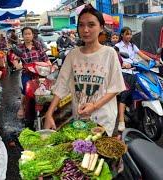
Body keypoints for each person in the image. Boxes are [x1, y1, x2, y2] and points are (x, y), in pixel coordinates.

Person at [44, 4, 126, 137]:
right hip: (80, 118)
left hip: (103, 119)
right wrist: (49, 113)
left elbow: (115, 87)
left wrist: (94, 106)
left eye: (91, 24)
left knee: (98, 154)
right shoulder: (73, 55)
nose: (85, 30)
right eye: (81, 25)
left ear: (101, 27)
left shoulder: (109, 53)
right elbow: (61, 85)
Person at [115, 26, 153, 132]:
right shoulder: (117, 46)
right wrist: (123, 65)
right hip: (124, 72)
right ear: (122, 35)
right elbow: (116, 60)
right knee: (125, 94)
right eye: (127, 34)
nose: (129, 36)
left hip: (135, 71)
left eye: (130, 34)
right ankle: (121, 120)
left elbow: (142, 55)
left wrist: (153, 61)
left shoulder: (132, 46)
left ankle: (137, 112)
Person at [11, 27, 50, 120]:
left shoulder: (38, 46)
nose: (27, 36)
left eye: (29, 34)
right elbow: (15, 59)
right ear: (22, 36)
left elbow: (46, 58)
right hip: (27, 73)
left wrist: (50, 65)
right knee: (25, 89)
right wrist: (17, 65)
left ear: (33, 35)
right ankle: (22, 107)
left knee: (47, 89)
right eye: (25, 34)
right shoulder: (19, 48)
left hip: (40, 73)